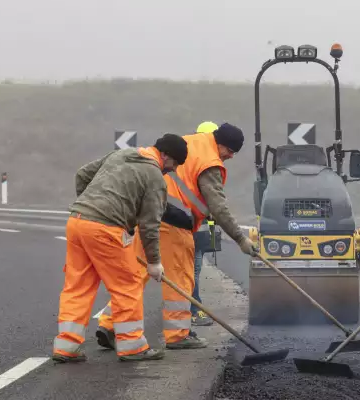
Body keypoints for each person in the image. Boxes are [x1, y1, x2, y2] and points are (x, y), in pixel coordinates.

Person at [95, 123, 258, 350]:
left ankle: (110, 323)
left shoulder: (189, 142)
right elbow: (218, 206)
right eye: (230, 151)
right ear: (220, 143)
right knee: (180, 279)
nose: (230, 156)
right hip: (175, 221)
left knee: (135, 275)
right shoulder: (210, 162)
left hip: (149, 215)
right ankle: (178, 334)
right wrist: (240, 239)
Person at [52, 134, 188, 363]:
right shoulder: (154, 176)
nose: (173, 170)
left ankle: (66, 346)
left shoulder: (123, 154)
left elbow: (82, 174)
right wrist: (154, 262)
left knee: (78, 286)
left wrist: (91, 205)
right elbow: (150, 224)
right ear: (165, 155)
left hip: (77, 221)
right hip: (106, 228)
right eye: (174, 164)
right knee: (128, 284)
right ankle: (132, 345)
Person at [191, 120, 219, 327]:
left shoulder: (191, 159)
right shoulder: (204, 164)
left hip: (196, 231)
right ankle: (194, 310)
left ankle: (110, 321)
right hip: (190, 231)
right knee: (192, 273)